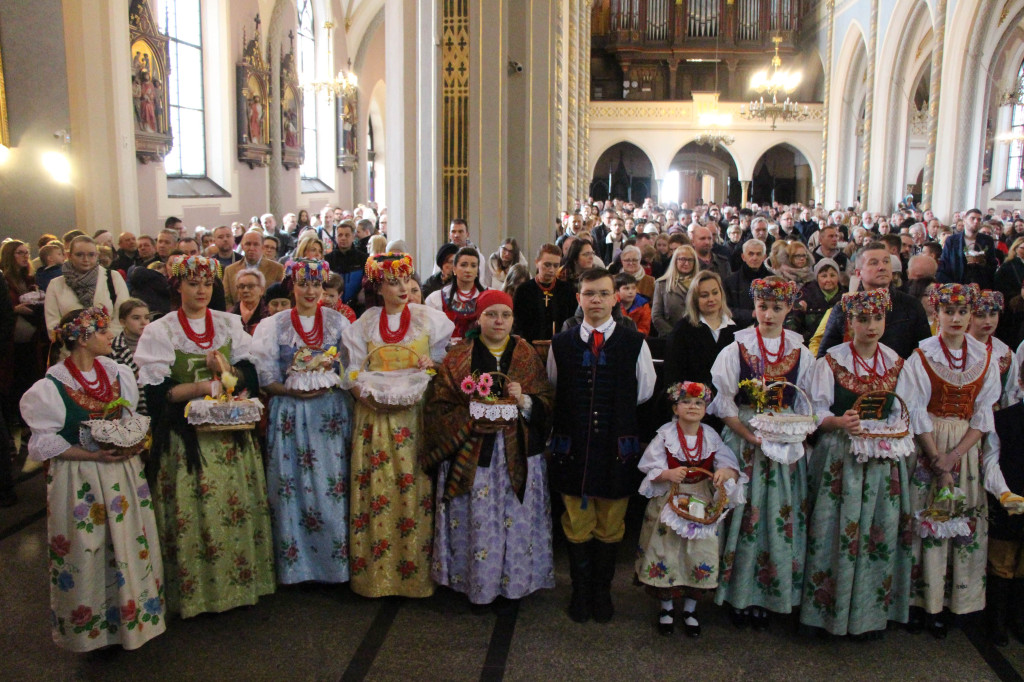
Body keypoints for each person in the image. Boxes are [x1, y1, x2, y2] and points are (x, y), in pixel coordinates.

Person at [136, 254, 275, 617]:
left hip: (229, 434)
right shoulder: (160, 330)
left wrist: (226, 369)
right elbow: (160, 393)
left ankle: (239, 583)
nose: (200, 290)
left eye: (207, 283)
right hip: (186, 439)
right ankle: (194, 593)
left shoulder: (228, 324)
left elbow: (249, 376)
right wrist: (210, 383)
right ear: (177, 286)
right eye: (193, 283)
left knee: (232, 507)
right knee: (194, 511)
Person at [20, 307, 165, 651]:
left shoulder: (116, 372)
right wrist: (92, 455)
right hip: (81, 478)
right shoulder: (51, 385)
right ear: (82, 338)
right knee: (89, 549)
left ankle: (134, 621)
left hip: (122, 475)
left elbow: (130, 416)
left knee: (128, 545)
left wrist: (135, 443)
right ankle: (94, 632)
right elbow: (45, 444)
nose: (109, 337)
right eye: (102, 332)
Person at [424, 290, 555, 608]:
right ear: (478, 317)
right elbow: (439, 406)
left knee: (515, 521)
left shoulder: (525, 354)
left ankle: (515, 585)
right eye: (491, 314)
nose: (499, 321)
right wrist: (470, 420)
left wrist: (524, 400)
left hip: (517, 454)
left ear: (513, 319)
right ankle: (476, 585)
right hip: (473, 456)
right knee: (478, 523)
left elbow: (546, 403)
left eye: (505, 315)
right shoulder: (458, 357)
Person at [799, 289, 914, 637]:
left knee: (875, 531)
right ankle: (824, 614)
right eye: (863, 319)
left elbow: (903, 410)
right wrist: (836, 422)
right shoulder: (831, 360)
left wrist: (891, 428)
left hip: (880, 459)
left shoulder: (895, 361)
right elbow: (811, 410)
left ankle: (867, 615)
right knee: (834, 529)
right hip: (840, 456)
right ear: (850, 322)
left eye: (877, 318)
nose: (871, 326)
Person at [341, 253, 454, 598]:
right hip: (374, 417)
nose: (403, 288)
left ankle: (414, 574)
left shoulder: (428, 321)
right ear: (378, 287)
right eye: (393, 281)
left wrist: (428, 365)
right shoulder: (364, 325)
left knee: (412, 489)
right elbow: (351, 371)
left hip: (413, 418)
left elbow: (441, 369)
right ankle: (374, 576)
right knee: (376, 488)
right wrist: (363, 394)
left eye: (406, 280)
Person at [548, 267, 656, 623]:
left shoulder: (635, 342)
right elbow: (554, 384)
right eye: (589, 293)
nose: (596, 300)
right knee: (576, 522)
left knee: (611, 523)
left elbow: (644, 391)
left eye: (603, 293)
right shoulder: (561, 344)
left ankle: (602, 592)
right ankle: (580, 592)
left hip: (616, 448)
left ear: (615, 299)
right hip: (572, 447)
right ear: (579, 298)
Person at [709, 277, 814, 631]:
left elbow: (807, 404)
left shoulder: (801, 352)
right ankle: (738, 593)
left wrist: (788, 433)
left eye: (777, 308)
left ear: (788, 310)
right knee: (745, 516)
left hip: (783, 446)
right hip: (745, 441)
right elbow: (723, 406)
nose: (768, 314)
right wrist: (751, 437)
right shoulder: (736, 349)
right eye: (763, 307)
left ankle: (772, 594)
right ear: (754, 307)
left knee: (776, 517)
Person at [898, 283, 1001, 638]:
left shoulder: (984, 357)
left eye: (962, 312)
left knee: (961, 523)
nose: (956, 318)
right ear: (936, 314)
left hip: (964, 447)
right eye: (948, 312)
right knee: (924, 520)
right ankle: (918, 603)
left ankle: (955, 604)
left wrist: (955, 456)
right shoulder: (922, 355)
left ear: (970, 314)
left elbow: (984, 414)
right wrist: (936, 458)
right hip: (927, 446)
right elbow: (913, 409)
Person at [252, 259, 354, 585]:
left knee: (329, 486)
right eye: (303, 284)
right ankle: (296, 568)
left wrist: (328, 382)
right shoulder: (273, 325)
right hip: (290, 414)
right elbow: (265, 378)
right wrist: (294, 391)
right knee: (290, 487)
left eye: (317, 285)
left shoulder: (339, 323)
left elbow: (351, 371)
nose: (310, 291)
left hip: (329, 415)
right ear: (291, 286)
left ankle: (332, 567)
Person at [635, 381, 742, 636]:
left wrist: (725, 472)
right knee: (667, 550)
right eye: (686, 402)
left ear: (706, 409)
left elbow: (728, 463)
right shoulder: (665, 435)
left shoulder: (711, 436)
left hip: (700, 499)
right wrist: (667, 473)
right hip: (670, 498)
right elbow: (649, 466)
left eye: (699, 403)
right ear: (675, 407)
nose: (693, 407)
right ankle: (667, 606)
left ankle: (691, 608)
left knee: (699, 552)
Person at [818, 242, 932, 359]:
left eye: (886, 261)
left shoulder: (911, 305)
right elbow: (825, 357)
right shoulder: (844, 308)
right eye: (874, 263)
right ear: (858, 273)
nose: (882, 267)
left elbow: (925, 353)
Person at [980, 364, 1024, 646]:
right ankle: (995, 621)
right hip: (1011, 499)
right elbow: (990, 460)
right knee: (1002, 560)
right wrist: (1005, 494)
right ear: (1020, 381)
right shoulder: (1005, 419)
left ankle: (1017, 618)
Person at [44, 235, 131, 340]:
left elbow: (123, 316)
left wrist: (101, 340)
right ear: (69, 255)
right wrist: (79, 343)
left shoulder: (113, 277)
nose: (86, 259)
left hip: (109, 345)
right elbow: (53, 325)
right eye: (79, 254)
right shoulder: (56, 284)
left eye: (91, 255)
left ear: (97, 255)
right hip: (72, 350)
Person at [663, 270, 736, 388]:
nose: (711, 299)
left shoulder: (734, 329)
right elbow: (673, 375)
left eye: (715, 293)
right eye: (704, 295)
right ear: (695, 299)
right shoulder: (682, 330)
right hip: (694, 401)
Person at [512, 244, 577, 343]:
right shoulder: (524, 290)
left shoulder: (567, 290)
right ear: (537, 263)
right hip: (530, 347)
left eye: (556, 265)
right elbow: (518, 323)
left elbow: (573, 322)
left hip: (561, 346)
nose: (551, 270)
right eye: (547, 265)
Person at [969, 290, 1021, 408]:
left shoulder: (1004, 353)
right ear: (969, 316)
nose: (988, 321)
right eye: (980, 315)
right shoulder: (957, 348)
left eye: (993, 314)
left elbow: (1010, 393)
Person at [425, 247, 483, 339]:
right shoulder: (436, 298)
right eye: (463, 265)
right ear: (454, 269)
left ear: (477, 271)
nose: (468, 270)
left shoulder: (488, 296)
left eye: (473, 265)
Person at [937, 208, 999, 289]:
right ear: (964, 220)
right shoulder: (952, 240)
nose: (976, 221)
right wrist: (951, 285)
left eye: (979, 219)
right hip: (956, 284)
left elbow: (992, 264)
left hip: (980, 285)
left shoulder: (987, 240)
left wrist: (981, 263)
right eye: (972, 218)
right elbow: (945, 263)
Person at [109, 298, 151, 414]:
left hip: (157, 405)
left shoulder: (158, 344)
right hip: (129, 409)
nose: (144, 322)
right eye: (136, 318)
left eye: (147, 317)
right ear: (123, 322)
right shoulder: (112, 348)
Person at [224, 231, 285, 307]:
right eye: (248, 244)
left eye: (256, 244)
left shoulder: (277, 268)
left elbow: (281, 297)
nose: (251, 248)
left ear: (262, 247)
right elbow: (227, 299)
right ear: (242, 246)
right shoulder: (230, 270)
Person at [791, 258, 842, 345]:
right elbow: (793, 325)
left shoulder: (845, 295)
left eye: (832, 275)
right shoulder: (805, 294)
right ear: (817, 277)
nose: (828, 280)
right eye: (824, 276)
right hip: (809, 344)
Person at [723, 239, 772, 328]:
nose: (754, 258)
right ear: (743, 257)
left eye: (758, 254)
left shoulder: (773, 281)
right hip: (739, 329)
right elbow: (725, 309)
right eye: (751, 254)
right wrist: (750, 314)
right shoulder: (730, 282)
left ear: (764, 257)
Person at [652, 245, 698, 336]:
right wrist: (675, 335)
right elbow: (656, 316)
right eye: (682, 259)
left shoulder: (701, 284)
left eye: (690, 260)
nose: (686, 263)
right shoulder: (662, 284)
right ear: (675, 261)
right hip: (669, 337)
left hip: (697, 336)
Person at [324, 221, 368, 309]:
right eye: (340, 235)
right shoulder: (327, 259)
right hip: (333, 306)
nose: (343, 238)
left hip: (357, 306)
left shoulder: (363, 258)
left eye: (347, 235)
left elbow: (367, 279)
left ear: (353, 237)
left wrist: (364, 291)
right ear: (336, 237)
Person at [231, 270, 269, 335]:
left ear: (262, 290)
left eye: (250, 286)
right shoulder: (230, 315)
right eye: (242, 286)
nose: (245, 290)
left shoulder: (269, 314)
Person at [615, 272, 651, 336]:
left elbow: (644, 329)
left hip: (636, 338)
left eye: (633, 288)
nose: (631, 292)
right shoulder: (612, 304)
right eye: (626, 288)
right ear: (617, 291)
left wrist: (631, 334)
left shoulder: (643, 304)